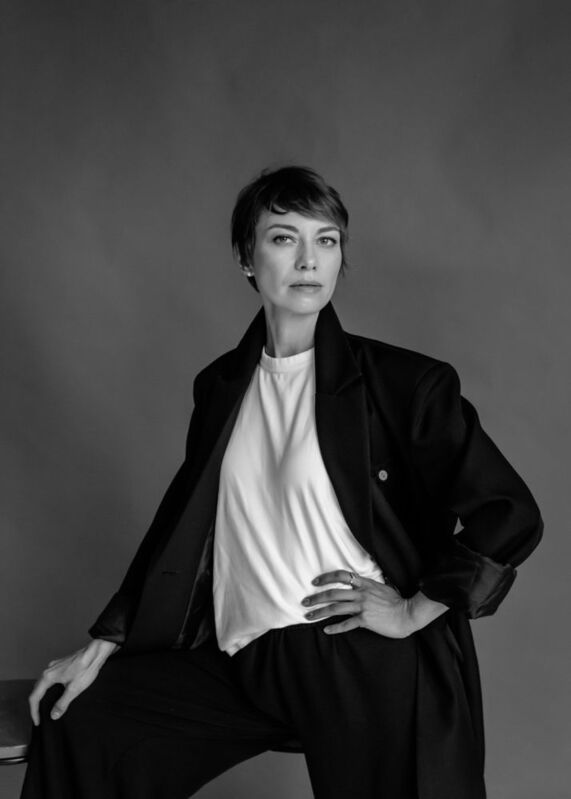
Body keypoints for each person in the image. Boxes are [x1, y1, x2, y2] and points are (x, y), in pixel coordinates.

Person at [21, 166, 543, 799]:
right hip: (243, 655)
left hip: (357, 657)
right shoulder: (221, 386)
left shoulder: (403, 383)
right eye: (283, 238)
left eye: (326, 240)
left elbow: (509, 512)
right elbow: (181, 526)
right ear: (247, 257)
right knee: (83, 724)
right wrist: (106, 641)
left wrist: (412, 612)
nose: (308, 260)